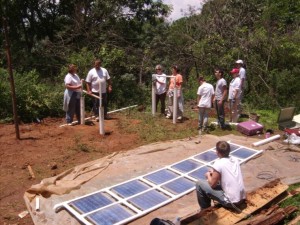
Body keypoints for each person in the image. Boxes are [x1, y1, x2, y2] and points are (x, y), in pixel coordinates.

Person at [196, 141, 246, 210]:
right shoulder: (235, 160)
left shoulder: (218, 163)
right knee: (219, 183)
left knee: (199, 184)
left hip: (231, 202)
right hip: (241, 197)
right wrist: (214, 171)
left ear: (217, 152)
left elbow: (212, 185)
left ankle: (205, 209)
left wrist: (208, 175)